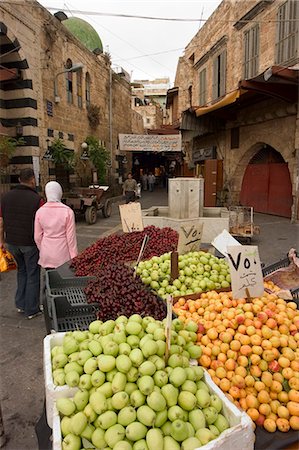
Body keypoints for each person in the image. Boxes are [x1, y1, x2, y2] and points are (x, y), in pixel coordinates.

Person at [0, 168, 44, 319]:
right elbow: (42, 222)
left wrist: (1, 241)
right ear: (32, 180)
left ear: (19, 180)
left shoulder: (5, 197)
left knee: (21, 271)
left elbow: (1, 221)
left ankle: (20, 304)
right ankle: (32, 309)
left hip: (11, 242)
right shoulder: (37, 199)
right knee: (32, 274)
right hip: (30, 243)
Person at [34, 181, 78, 269]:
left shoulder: (40, 211)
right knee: (62, 280)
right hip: (62, 254)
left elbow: (37, 237)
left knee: (49, 278)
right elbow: (71, 238)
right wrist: (74, 256)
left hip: (46, 253)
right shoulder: (68, 211)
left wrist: (42, 249)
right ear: (59, 192)